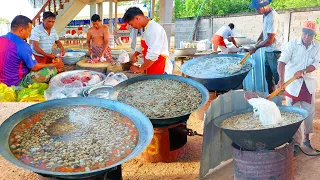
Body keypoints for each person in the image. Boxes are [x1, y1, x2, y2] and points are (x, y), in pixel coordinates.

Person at [278, 21, 320, 154]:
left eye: (310, 34)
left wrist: (304, 70)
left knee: (309, 114)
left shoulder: (317, 46)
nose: (307, 36)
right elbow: (282, 62)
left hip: (308, 84)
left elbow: (315, 64)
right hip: (292, 85)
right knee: (294, 116)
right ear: (302, 32)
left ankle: (307, 140)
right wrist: (280, 79)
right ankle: (295, 143)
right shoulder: (292, 45)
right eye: (305, 33)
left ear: (314, 35)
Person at [0, 15, 61, 87]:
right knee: (51, 70)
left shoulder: (1, 38)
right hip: (16, 82)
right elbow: (34, 67)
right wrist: (54, 65)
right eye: (29, 31)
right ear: (21, 30)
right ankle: (22, 86)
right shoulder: (22, 45)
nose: (29, 34)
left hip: (2, 80)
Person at [122, 7, 173, 74]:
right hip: (151, 65)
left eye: (131, 24)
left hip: (159, 66)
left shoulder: (154, 29)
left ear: (137, 18)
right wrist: (135, 54)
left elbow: (153, 55)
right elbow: (144, 45)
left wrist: (140, 69)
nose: (132, 27)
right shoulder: (147, 27)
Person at [248, 0, 283, 94]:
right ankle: (271, 96)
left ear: (263, 6)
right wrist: (256, 43)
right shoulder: (265, 15)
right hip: (268, 51)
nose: (256, 10)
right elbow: (264, 33)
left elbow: (270, 40)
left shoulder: (272, 17)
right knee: (268, 76)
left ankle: (280, 98)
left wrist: (256, 48)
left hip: (274, 51)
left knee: (277, 77)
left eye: (257, 8)